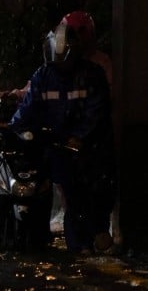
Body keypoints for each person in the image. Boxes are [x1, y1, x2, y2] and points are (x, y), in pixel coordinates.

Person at [8, 20, 116, 254]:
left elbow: (97, 112)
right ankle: (78, 246)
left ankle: (94, 237)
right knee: (70, 195)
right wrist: (14, 129)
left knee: (97, 193)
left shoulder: (91, 75)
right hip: (57, 148)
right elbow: (28, 109)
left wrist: (80, 137)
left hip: (90, 150)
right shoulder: (43, 76)